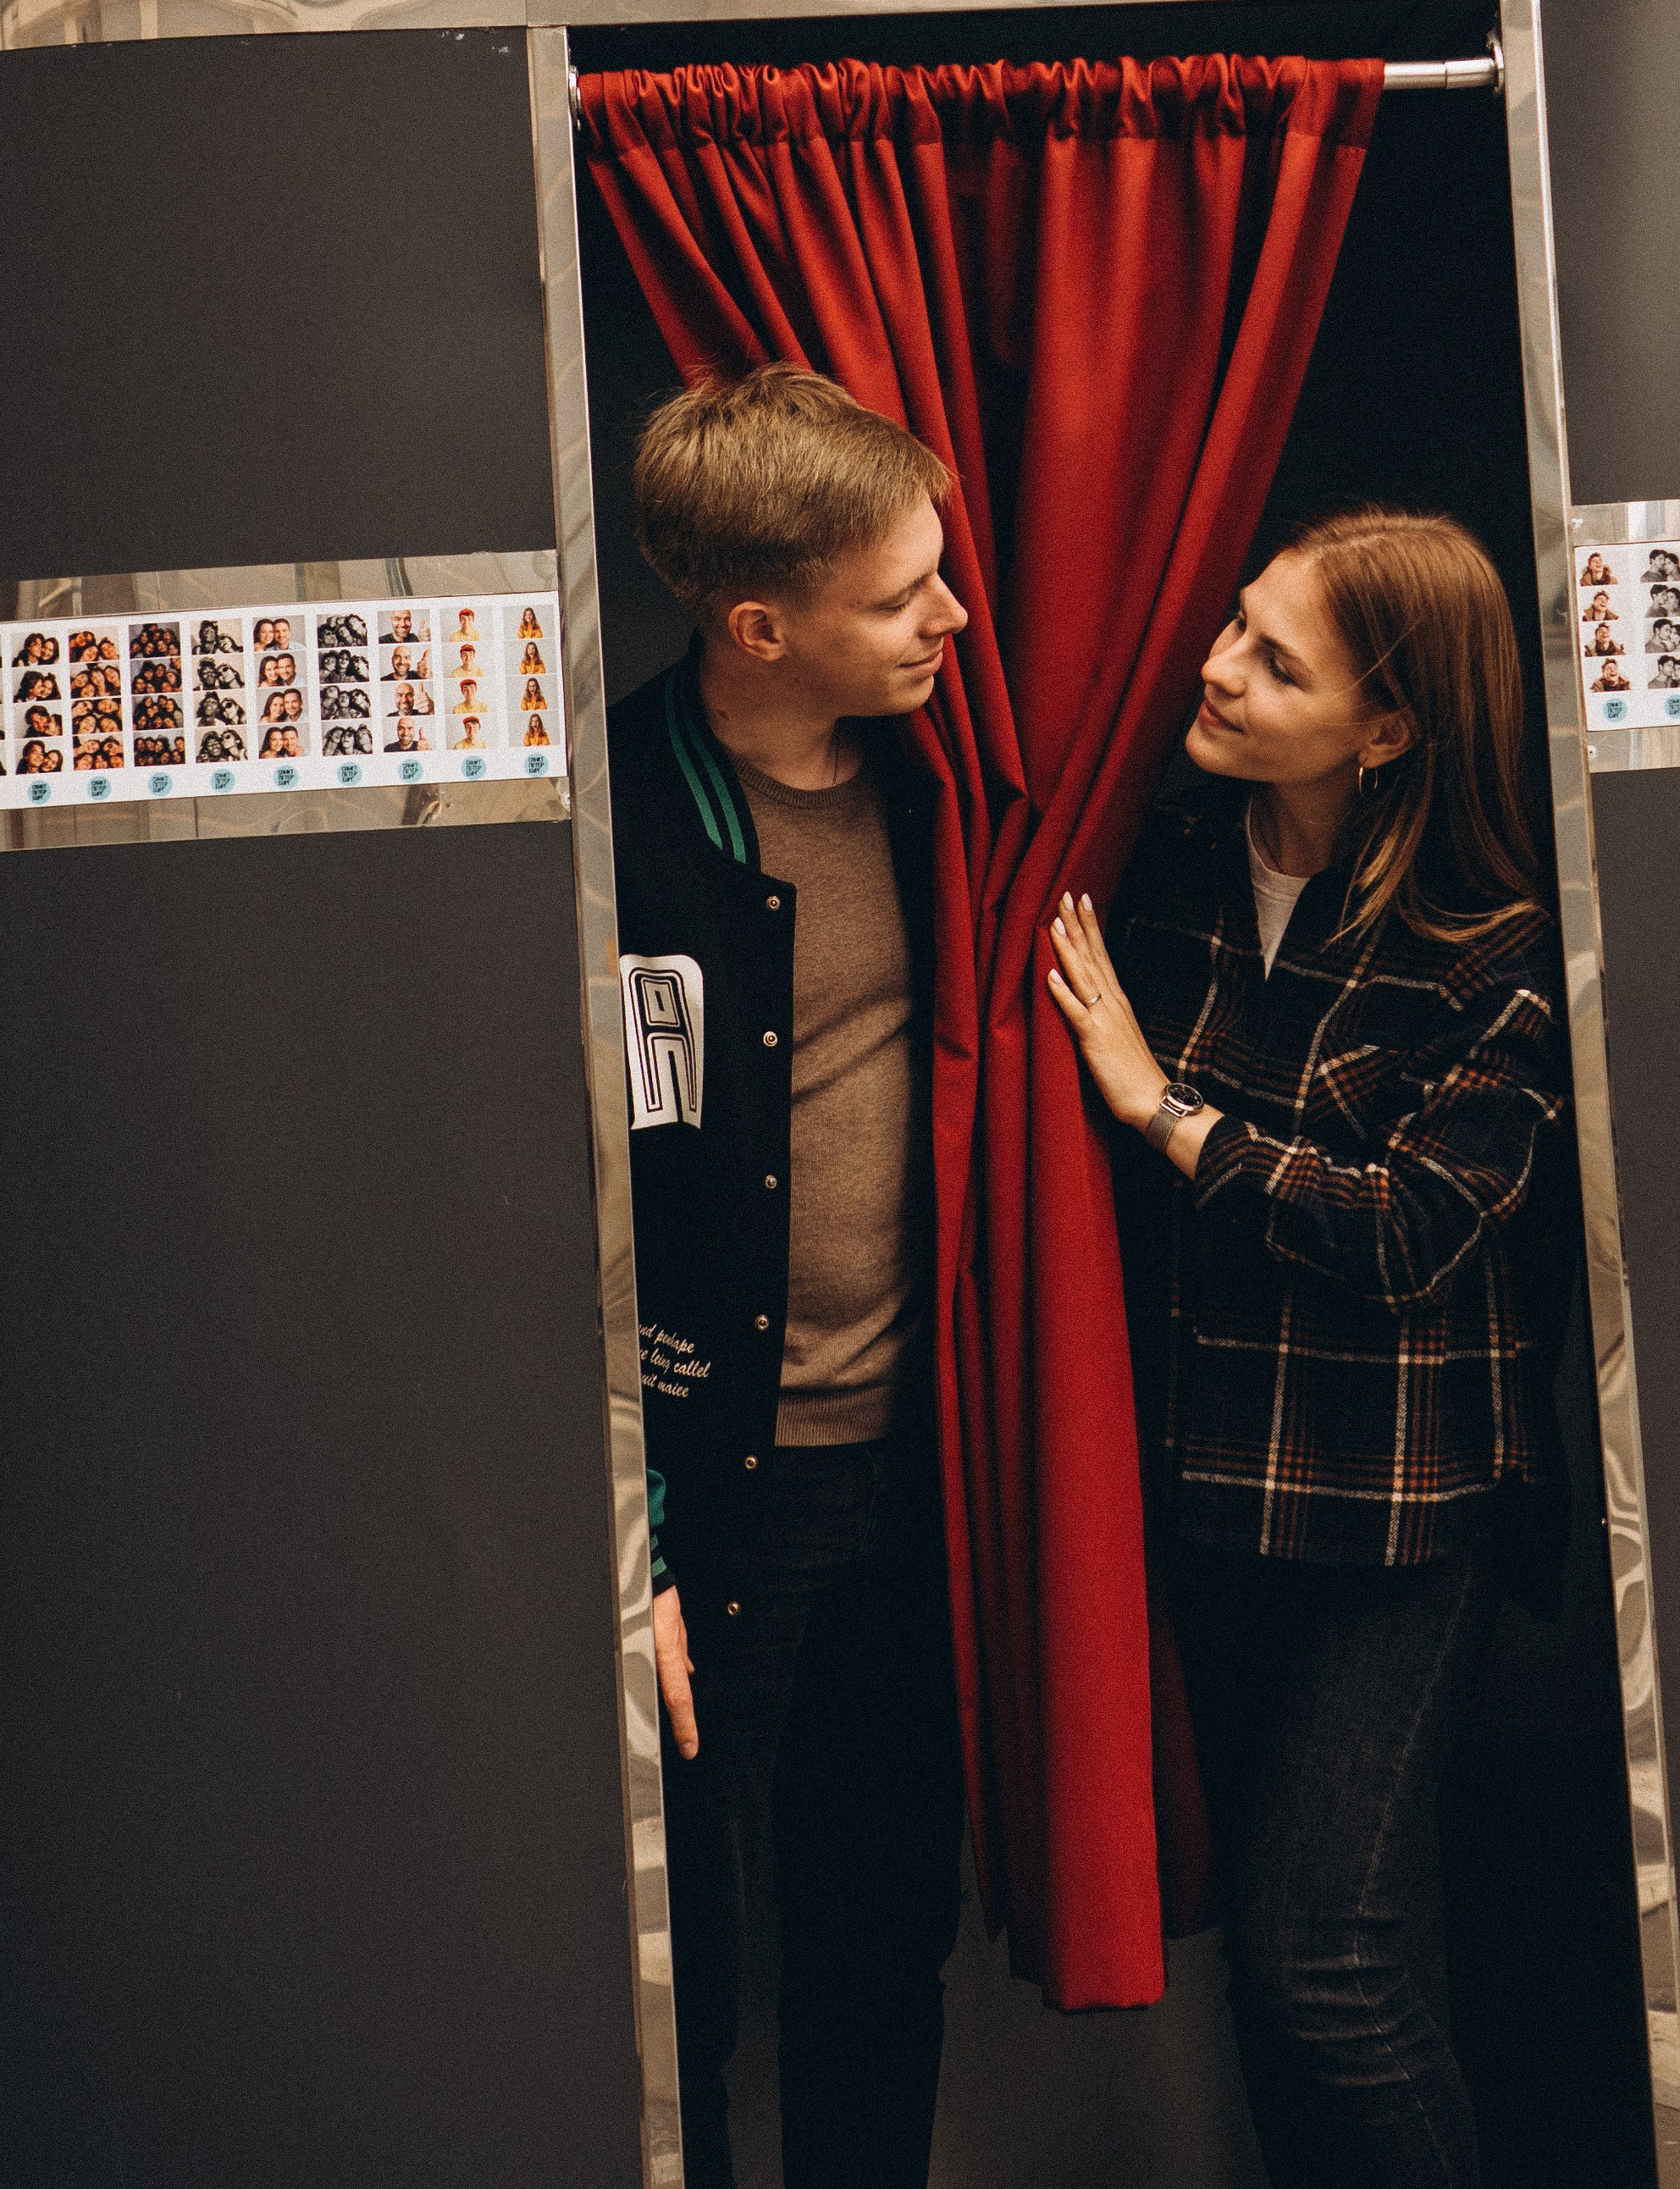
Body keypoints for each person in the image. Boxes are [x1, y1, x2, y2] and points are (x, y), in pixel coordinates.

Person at [1045, 508, 1571, 2189]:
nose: (1211, 667)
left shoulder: (1489, 954)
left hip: (1396, 1520)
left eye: (1275, 661)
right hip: (1208, 1496)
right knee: (1288, 1984)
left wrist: (1164, 1117)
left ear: (1388, 726)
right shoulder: (1164, 865)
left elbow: (1408, 1229)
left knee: (1319, 1961)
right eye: (1230, 625)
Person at [611, 363, 970, 2189]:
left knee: (876, 1938)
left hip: (915, 1478)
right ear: (759, 626)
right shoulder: (611, 829)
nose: (952, 617)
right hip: (715, 1499)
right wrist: (633, 1543)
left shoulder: (962, 800)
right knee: (678, 1972)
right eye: (904, 594)